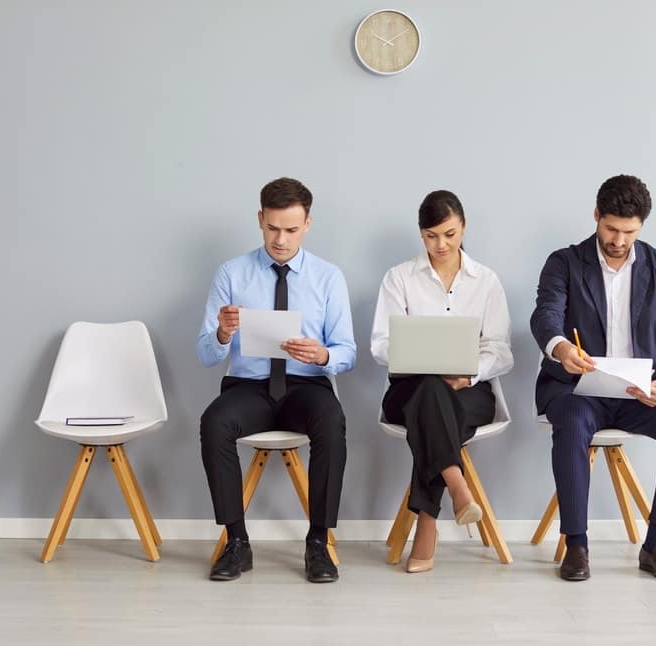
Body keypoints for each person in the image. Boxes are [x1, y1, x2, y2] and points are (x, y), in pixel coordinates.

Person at [531, 174, 656, 581]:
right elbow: (546, 315)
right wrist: (561, 348)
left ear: (641, 225)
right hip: (576, 389)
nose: (619, 239)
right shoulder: (565, 262)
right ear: (596, 215)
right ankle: (576, 545)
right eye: (611, 228)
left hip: (639, 393)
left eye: (629, 231)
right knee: (573, 422)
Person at [196, 177, 356, 583]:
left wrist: (323, 355)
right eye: (272, 228)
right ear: (259, 220)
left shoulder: (328, 277)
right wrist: (222, 333)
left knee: (332, 422)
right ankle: (237, 542)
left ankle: (318, 542)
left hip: (307, 386)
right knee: (214, 422)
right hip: (249, 388)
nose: (280, 240)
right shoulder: (232, 273)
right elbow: (204, 354)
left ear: (307, 224)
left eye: (290, 229)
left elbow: (347, 352)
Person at [371, 190, 513, 573]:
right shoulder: (398, 278)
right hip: (409, 388)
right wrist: (418, 359)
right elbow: (379, 344)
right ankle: (456, 482)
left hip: (471, 391)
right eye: (432, 236)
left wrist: (470, 372)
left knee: (433, 412)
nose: (441, 244)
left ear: (463, 227)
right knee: (430, 391)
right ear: (421, 234)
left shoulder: (486, 281)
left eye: (449, 234)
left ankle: (428, 524)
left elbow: (501, 350)